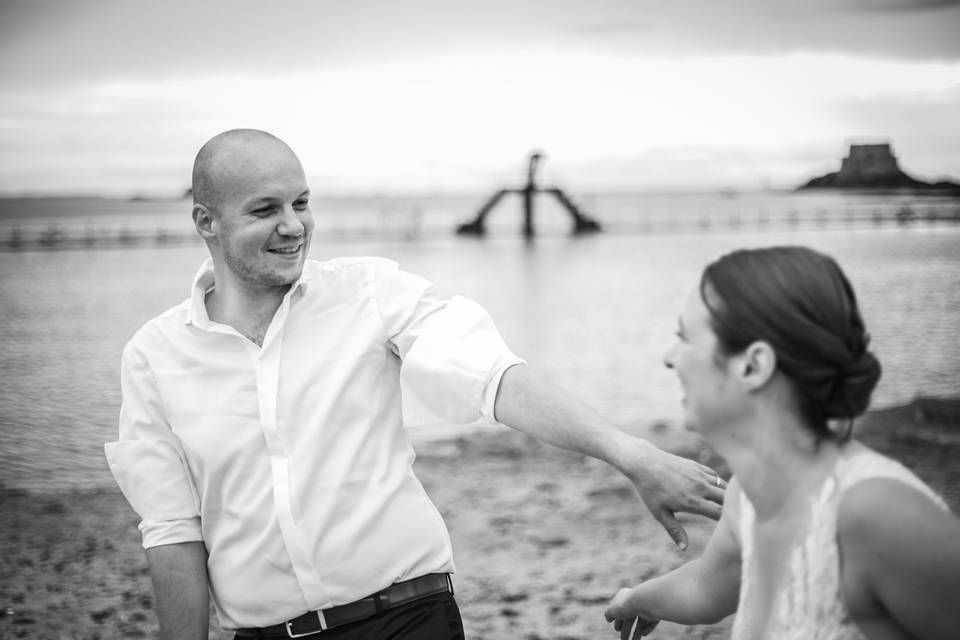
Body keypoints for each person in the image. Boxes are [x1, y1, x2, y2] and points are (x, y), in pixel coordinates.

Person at [104, 129, 725, 640]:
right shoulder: (155, 356)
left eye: (302, 202)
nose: (294, 226)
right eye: (266, 210)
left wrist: (630, 453)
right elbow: (174, 530)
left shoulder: (370, 293)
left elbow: (492, 378)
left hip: (410, 618)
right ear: (205, 221)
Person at [604, 246, 960, 639]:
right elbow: (706, 587)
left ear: (754, 366)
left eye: (684, 338)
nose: (670, 358)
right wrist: (635, 598)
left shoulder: (877, 513)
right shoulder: (750, 496)